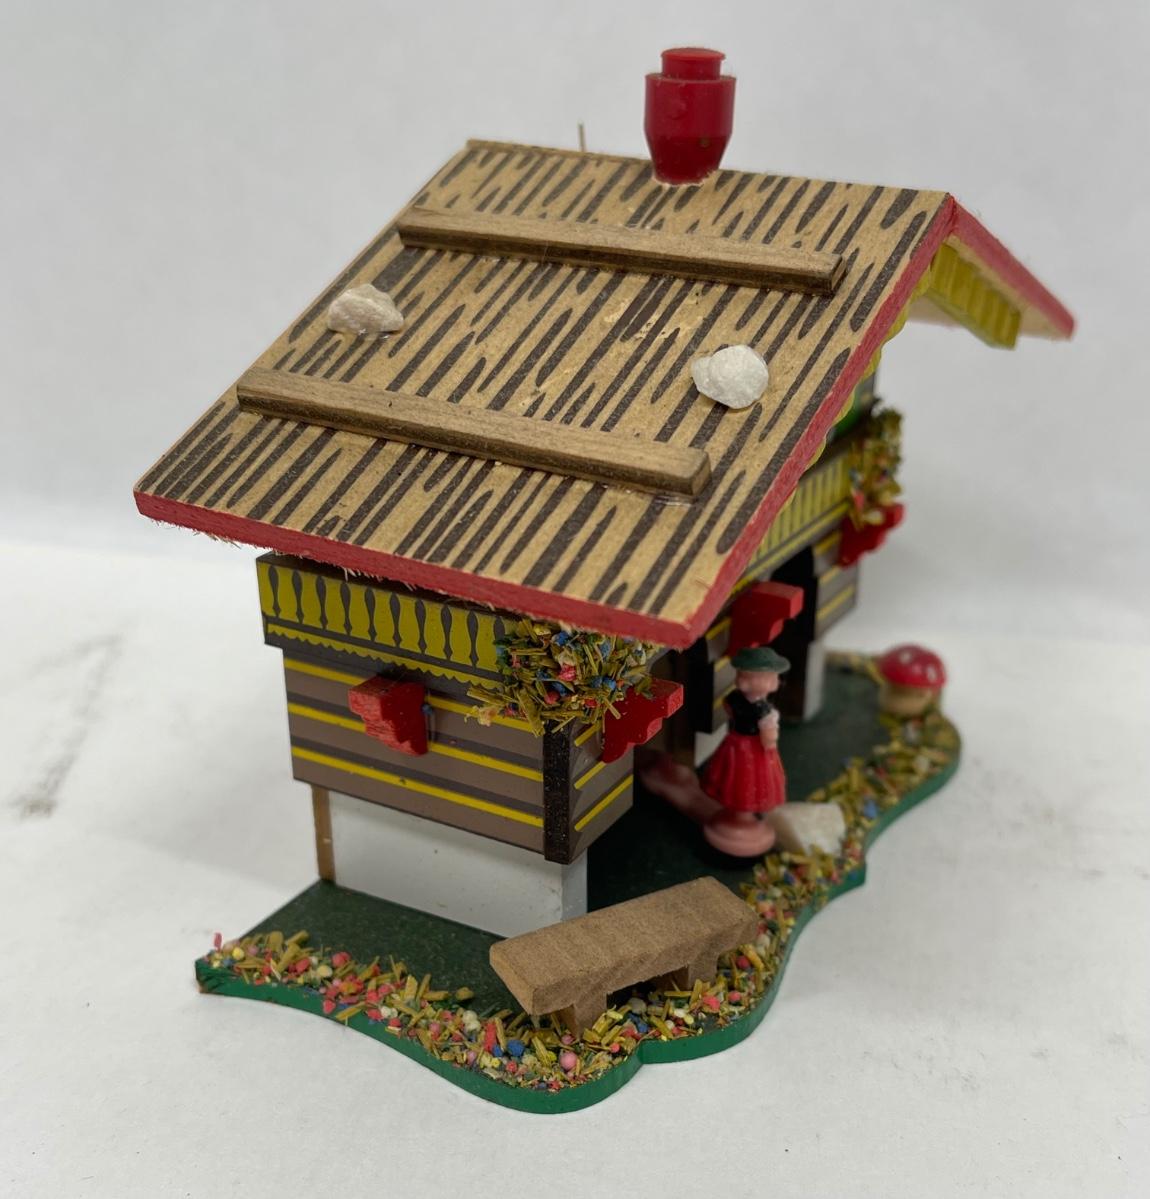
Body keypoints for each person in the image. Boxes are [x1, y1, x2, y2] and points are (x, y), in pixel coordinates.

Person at [702, 645, 789, 856]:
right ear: (765, 681)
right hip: (754, 750)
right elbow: (769, 739)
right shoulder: (765, 711)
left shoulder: (733, 698)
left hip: (734, 743)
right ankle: (742, 814)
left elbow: (729, 710)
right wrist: (771, 739)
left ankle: (738, 815)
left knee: (733, 777)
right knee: (749, 781)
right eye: (773, 676)